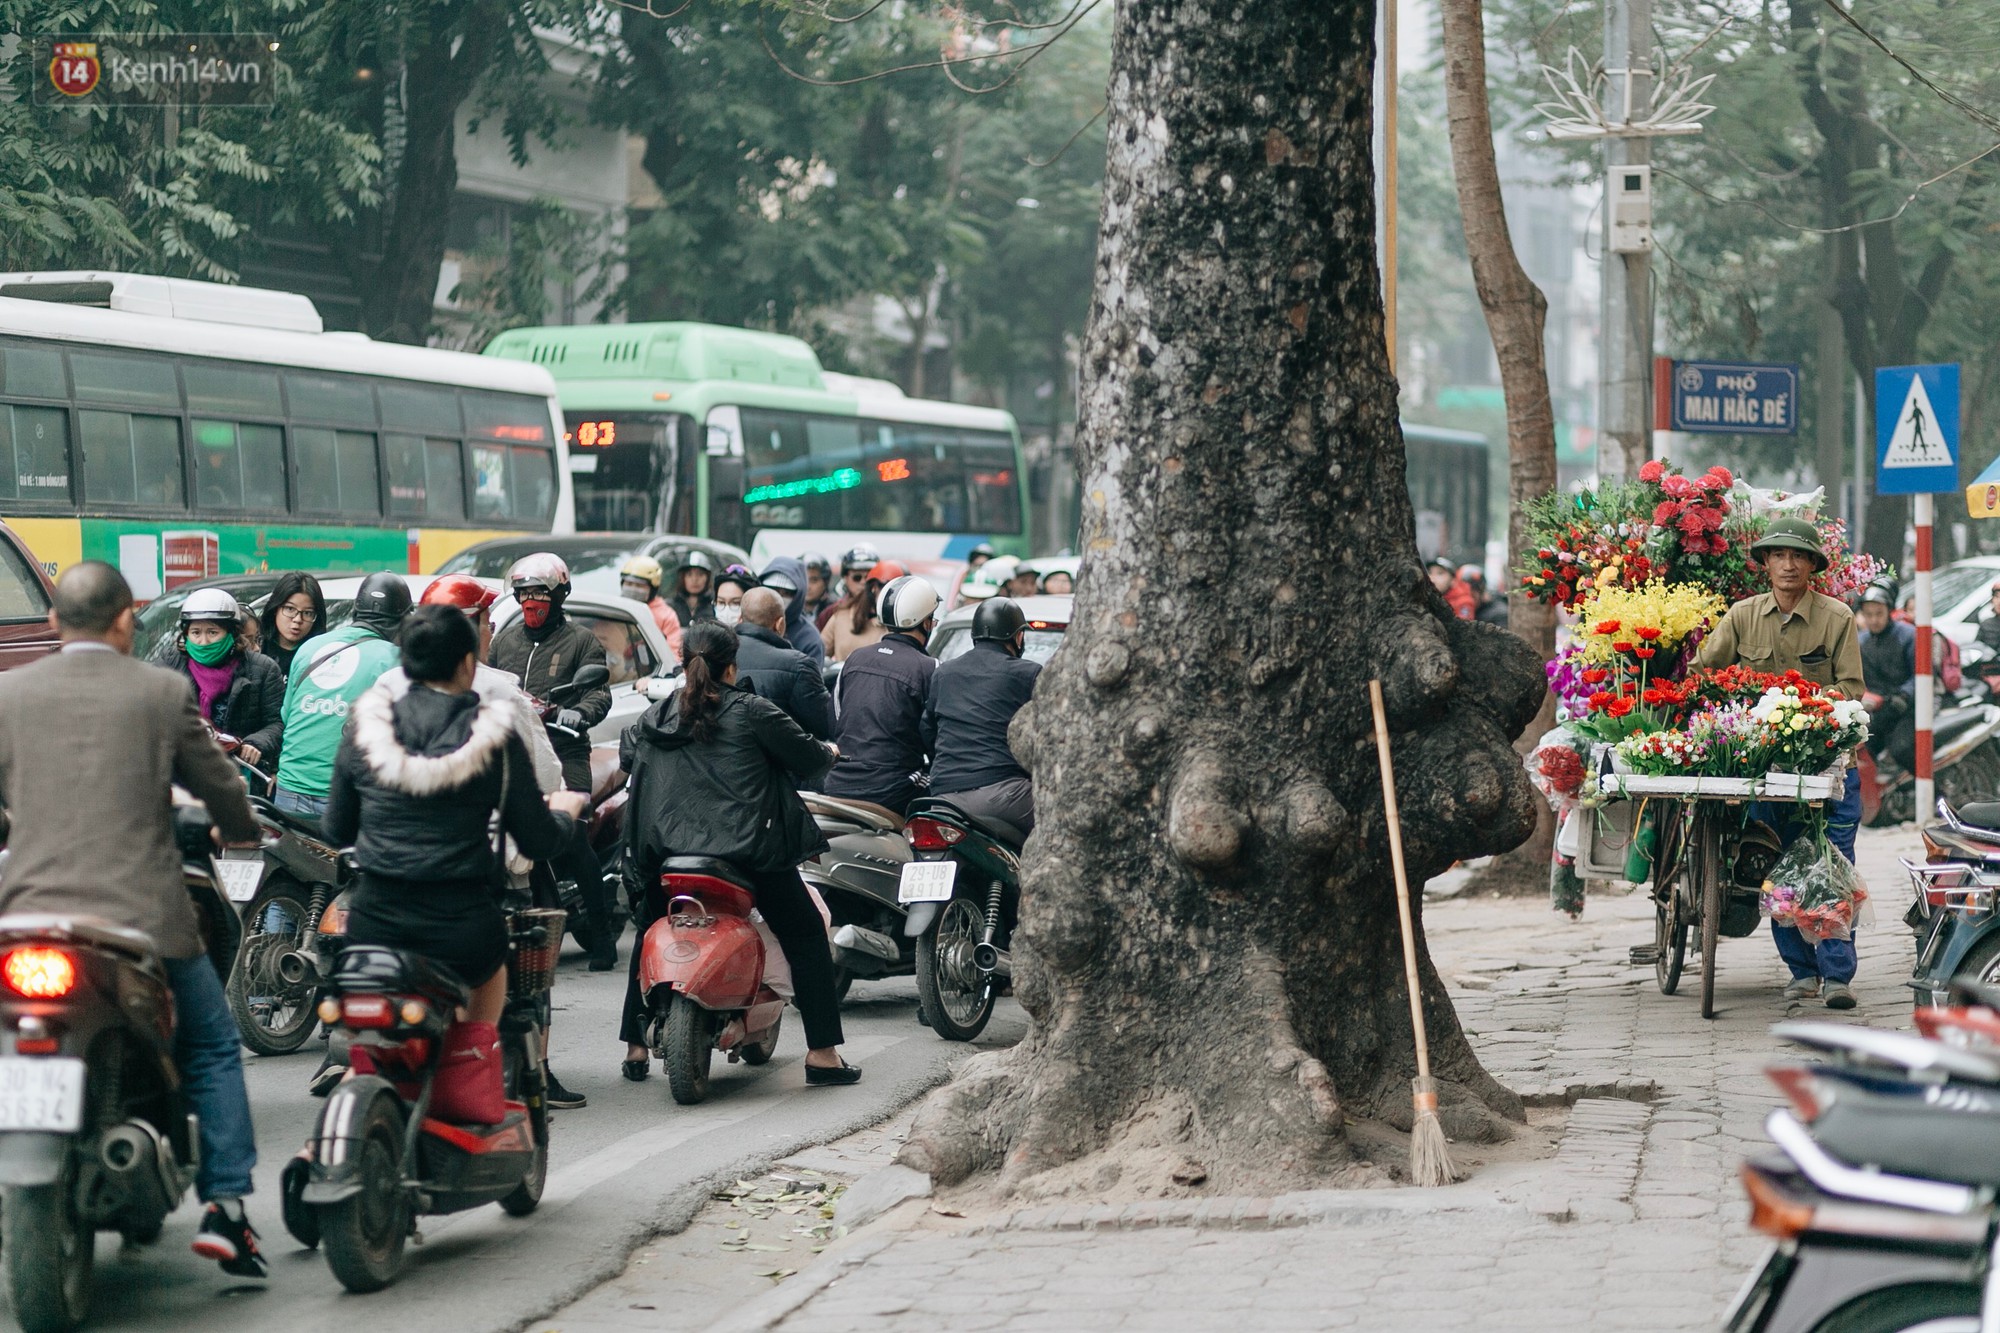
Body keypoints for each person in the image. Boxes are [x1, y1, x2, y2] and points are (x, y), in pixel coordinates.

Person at [0, 562, 269, 1275]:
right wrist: (238, 829)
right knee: (211, 1045)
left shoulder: (9, 692)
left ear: (55, 622)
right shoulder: (162, 690)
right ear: (126, 622)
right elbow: (218, 783)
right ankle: (228, 1207)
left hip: (27, 916)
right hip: (142, 917)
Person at [324, 607, 588, 1117]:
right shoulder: (493, 737)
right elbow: (534, 839)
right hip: (462, 923)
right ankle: (467, 1072)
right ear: (469, 663)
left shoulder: (365, 729)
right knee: (486, 995)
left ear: (404, 664)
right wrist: (566, 815)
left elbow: (336, 829)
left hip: (375, 921)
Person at [618, 622, 857, 1086]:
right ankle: (823, 1054)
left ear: (686, 665)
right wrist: (829, 751)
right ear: (732, 666)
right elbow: (808, 756)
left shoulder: (659, 714)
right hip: (747, 858)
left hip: (669, 860)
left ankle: (634, 1044)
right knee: (806, 931)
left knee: (651, 923)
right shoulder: (753, 711)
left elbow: (631, 754)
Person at [1696, 516, 1867, 1009]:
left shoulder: (1837, 617)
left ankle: (1837, 974)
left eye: (1798, 556)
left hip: (1830, 766)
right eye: (1778, 556)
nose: (1788, 565)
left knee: (1833, 863)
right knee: (1777, 864)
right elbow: (1705, 670)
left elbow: (1852, 689)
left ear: (1813, 564)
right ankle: (1800, 971)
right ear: (1766, 564)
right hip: (1764, 769)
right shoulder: (1743, 616)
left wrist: (1802, 703)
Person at [488, 554, 618, 989]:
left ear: (559, 593)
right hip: (515, 749)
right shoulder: (504, 641)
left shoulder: (582, 641)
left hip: (565, 751)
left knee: (573, 837)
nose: (532, 601)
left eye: (540, 592)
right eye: (524, 593)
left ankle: (601, 936)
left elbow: (600, 696)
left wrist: (579, 713)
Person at [273, 571, 410, 820]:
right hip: (345, 796)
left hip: (289, 787)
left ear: (356, 613)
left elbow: (287, 714)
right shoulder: (395, 659)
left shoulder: (310, 648)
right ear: (402, 620)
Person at [823, 574, 940, 814]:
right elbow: (937, 738)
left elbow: (834, 721)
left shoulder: (854, 658)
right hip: (892, 789)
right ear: (925, 623)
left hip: (837, 784)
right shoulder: (930, 668)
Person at [923, 596, 1040, 832]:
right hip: (1006, 796)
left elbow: (927, 731)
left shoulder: (944, 673)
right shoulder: (1029, 674)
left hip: (943, 799)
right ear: (1018, 636)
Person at [172, 589, 285, 771]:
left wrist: (255, 744)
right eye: (195, 632)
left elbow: (277, 723)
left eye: (212, 632)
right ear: (185, 634)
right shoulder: (170, 663)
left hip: (239, 773)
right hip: (182, 773)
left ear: (232, 633)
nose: (203, 641)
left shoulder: (263, 669)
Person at [736, 587, 833, 739]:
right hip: (782, 760)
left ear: (740, 619)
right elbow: (826, 724)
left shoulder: (717, 654)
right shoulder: (798, 665)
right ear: (780, 624)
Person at [1857, 585, 1918, 773]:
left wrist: (1905, 695)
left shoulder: (1908, 636)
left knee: (1901, 749)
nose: (1874, 620)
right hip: (1878, 710)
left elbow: (1921, 675)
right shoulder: (1861, 641)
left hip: (1908, 708)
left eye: (1879, 613)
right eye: (1869, 614)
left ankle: (1934, 794)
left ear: (1889, 611)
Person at [823, 560, 906, 663]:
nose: (889, 594)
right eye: (883, 586)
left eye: (895, 590)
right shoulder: (842, 616)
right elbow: (818, 654)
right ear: (873, 587)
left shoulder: (902, 626)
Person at [759, 556, 829, 666]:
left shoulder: (809, 638)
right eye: (773, 590)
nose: (778, 597)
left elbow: (811, 681)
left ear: (798, 594)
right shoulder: (748, 624)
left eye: (786, 593)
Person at [258, 571, 326, 677]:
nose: (298, 619)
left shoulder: (322, 655)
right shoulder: (256, 647)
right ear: (276, 608)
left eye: (307, 613)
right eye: (290, 609)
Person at [619, 555, 684, 661]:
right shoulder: (615, 609)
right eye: (629, 583)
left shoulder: (666, 616)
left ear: (653, 588)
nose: (633, 589)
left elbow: (673, 655)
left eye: (640, 585)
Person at [816, 544, 881, 632]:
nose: (863, 582)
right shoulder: (831, 612)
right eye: (857, 577)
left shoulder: (884, 611)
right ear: (845, 578)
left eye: (868, 577)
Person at [667, 552, 716, 629]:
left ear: (707, 578)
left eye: (700, 574)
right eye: (689, 574)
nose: (694, 580)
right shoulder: (670, 607)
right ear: (683, 578)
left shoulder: (715, 607)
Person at [802, 552, 838, 623]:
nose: (808, 586)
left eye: (814, 580)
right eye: (804, 579)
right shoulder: (786, 610)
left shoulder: (835, 610)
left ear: (826, 582)